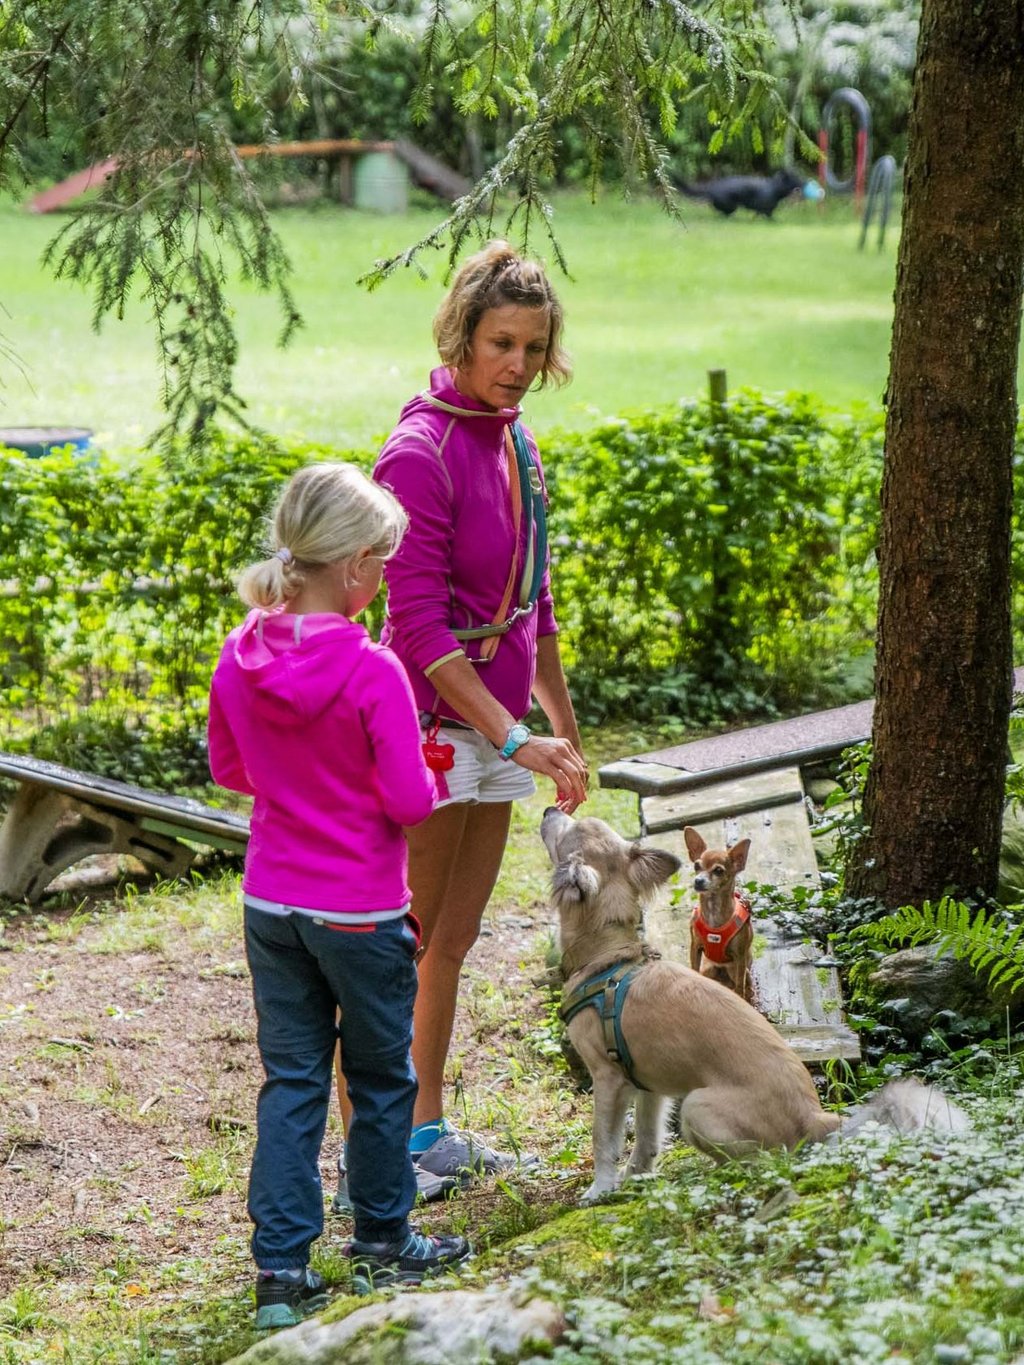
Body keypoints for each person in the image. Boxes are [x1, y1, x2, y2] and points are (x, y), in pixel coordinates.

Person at [333, 240, 589, 1207]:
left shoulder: (516, 440)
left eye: (533, 346)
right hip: (428, 727)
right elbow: (418, 628)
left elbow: (535, 604)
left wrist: (561, 727)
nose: (518, 364)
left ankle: (424, 1127)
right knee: (394, 944)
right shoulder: (420, 450)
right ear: (461, 337)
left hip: (496, 730)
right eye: (500, 344)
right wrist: (516, 734)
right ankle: (370, 1153)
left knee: (452, 937)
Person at [207, 463, 470, 1329]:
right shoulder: (373, 669)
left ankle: (281, 1273)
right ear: (355, 565)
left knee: (291, 1080)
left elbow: (229, 768)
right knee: (381, 1076)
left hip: (272, 902)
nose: (385, 577)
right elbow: (408, 802)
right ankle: (385, 1240)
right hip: (359, 909)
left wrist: (298, 783)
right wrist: (423, 770)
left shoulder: (241, 651)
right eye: (382, 563)